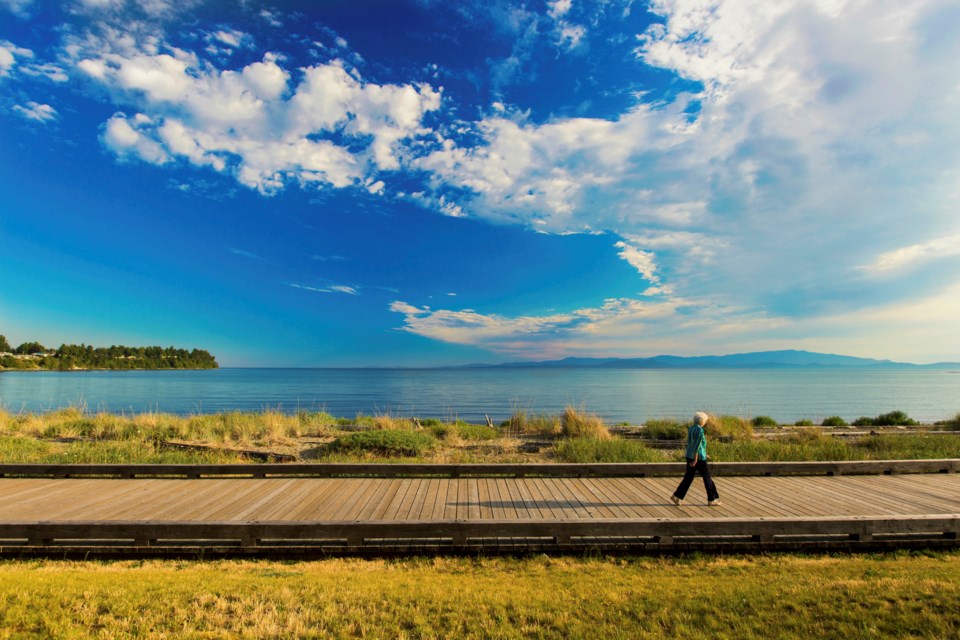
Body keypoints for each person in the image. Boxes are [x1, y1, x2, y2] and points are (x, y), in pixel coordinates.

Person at [670, 412, 722, 506]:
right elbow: (697, 446)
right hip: (698, 458)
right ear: (702, 421)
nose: (705, 422)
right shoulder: (700, 430)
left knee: (688, 478)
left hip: (689, 455)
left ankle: (676, 496)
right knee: (707, 478)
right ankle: (712, 499)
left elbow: (692, 443)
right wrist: (695, 459)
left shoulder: (691, 428)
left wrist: (704, 454)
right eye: (705, 421)